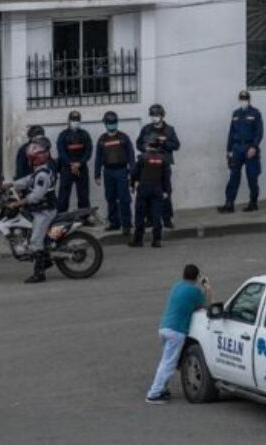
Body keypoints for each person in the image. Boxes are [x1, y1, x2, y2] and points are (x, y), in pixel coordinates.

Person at [146, 264, 212, 404]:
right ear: (196, 277)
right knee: (168, 363)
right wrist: (207, 287)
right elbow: (207, 305)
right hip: (176, 331)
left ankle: (161, 389)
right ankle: (154, 393)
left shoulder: (176, 286)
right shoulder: (194, 291)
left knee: (167, 361)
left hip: (164, 327)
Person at [5, 137, 57, 284]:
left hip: (44, 211)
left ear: (38, 158)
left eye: (32, 158)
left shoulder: (43, 175)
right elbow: (27, 180)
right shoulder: (38, 172)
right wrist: (10, 185)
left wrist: (18, 203)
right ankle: (44, 259)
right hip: (38, 210)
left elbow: (36, 196)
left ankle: (39, 274)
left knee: (35, 240)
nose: (30, 161)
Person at [218, 90, 263, 213]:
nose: (243, 101)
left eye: (245, 99)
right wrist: (228, 149)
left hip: (250, 148)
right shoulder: (236, 114)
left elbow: (259, 132)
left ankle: (253, 203)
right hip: (237, 148)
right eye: (241, 99)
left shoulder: (255, 113)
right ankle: (229, 204)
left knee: (252, 177)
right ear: (239, 100)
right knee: (233, 176)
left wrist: (254, 147)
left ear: (249, 100)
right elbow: (231, 133)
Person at [137, 104, 180, 228]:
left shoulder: (169, 130)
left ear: (162, 116)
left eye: (156, 115)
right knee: (149, 192)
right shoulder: (146, 129)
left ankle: (166, 219)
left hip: (163, 164)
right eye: (152, 115)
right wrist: (145, 147)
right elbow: (139, 143)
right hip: (149, 165)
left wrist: (163, 143)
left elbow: (176, 145)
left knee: (165, 191)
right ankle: (150, 219)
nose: (154, 118)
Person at [93, 111, 135, 236]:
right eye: (109, 123)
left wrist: (132, 173)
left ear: (117, 123)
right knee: (110, 197)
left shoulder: (124, 137)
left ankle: (126, 224)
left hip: (122, 171)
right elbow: (98, 158)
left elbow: (131, 156)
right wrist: (97, 175)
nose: (111, 125)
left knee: (124, 198)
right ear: (105, 124)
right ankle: (114, 223)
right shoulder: (102, 139)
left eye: (113, 122)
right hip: (108, 172)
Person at [130, 143, 171, 248]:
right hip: (157, 189)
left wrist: (132, 184)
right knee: (156, 215)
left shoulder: (142, 158)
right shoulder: (163, 159)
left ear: (147, 146)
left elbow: (134, 173)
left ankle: (138, 240)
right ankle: (157, 240)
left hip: (143, 189)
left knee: (140, 215)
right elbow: (166, 177)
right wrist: (167, 191)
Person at [56, 110, 92, 213]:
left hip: (82, 168)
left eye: (77, 120)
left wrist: (79, 163)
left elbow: (88, 151)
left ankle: (84, 217)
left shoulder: (85, 135)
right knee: (63, 195)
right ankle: (61, 217)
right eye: (73, 120)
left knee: (83, 195)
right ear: (69, 121)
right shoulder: (63, 135)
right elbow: (61, 152)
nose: (75, 122)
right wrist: (71, 164)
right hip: (66, 169)